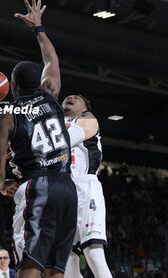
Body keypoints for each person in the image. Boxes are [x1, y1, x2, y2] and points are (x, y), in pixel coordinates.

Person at [0, 0, 77, 278]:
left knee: (30, 263)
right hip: (68, 188)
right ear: (38, 82)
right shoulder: (51, 93)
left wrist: (1, 184)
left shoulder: (7, 113)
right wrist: (38, 28)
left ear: (12, 85)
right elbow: (52, 60)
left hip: (39, 186)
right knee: (54, 269)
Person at [61, 95, 112, 278]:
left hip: (85, 186)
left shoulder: (87, 118)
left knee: (94, 254)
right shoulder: (54, 123)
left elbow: (61, 141)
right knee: (66, 261)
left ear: (84, 108)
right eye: (68, 96)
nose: (71, 97)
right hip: (62, 190)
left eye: (78, 98)